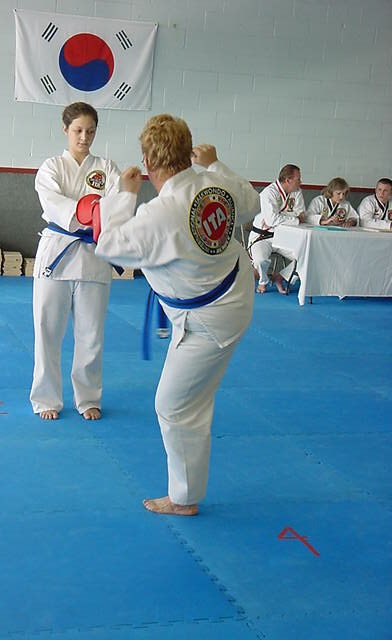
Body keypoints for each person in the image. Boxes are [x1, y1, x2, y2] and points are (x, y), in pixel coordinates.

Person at [95, 114, 260, 516]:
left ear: (148, 162)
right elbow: (253, 204)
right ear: (189, 152)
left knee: (175, 406)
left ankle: (183, 499)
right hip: (234, 295)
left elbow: (110, 247)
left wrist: (124, 194)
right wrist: (215, 164)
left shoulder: (160, 212)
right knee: (191, 399)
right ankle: (185, 492)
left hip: (208, 323)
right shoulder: (215, 184)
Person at [30, 102, 121, 421]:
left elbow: (117, 204)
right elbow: (53, 203)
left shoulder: (107, 167)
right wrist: (87, 211)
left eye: (90, 131)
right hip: (56, 254)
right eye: (78, 130)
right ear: (65, 129)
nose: (84, 137)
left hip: (94, 256)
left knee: (91, 335)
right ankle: (46, 398)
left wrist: (100, 215)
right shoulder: (51, 167)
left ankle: (88, 398)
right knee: (47, 330)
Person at [248, 165, 305, 294]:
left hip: (283, 236)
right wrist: (294, 219)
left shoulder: (297, 192)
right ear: (288, 180)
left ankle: (281, 277)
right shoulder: (269, 193)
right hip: (262, 237)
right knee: (260, 261)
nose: (300, 182)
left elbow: (301, 215)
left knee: (305, 255)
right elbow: (271, 220)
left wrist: (280, 217)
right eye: (298, 179)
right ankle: (263, 281)